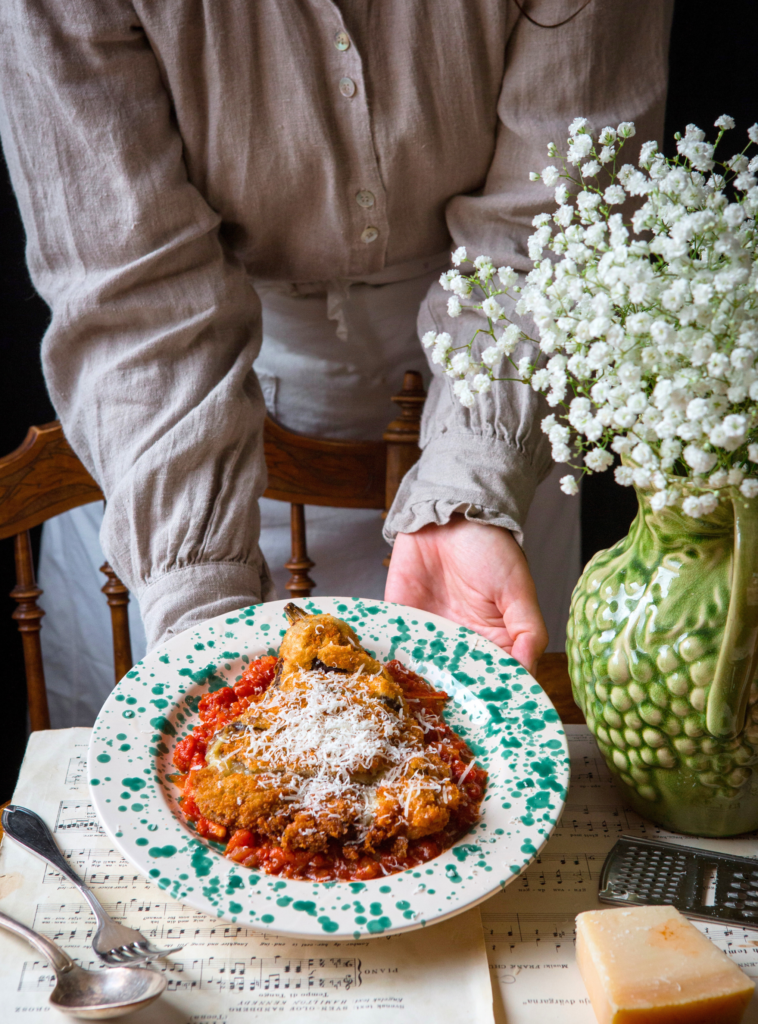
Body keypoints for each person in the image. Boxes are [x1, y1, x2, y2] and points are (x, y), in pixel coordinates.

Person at [0, 0, 674, 723]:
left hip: (494, 385)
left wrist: (471, 492)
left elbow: (546, 226)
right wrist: (199, 605)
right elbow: (136, 296)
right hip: (165, 429)